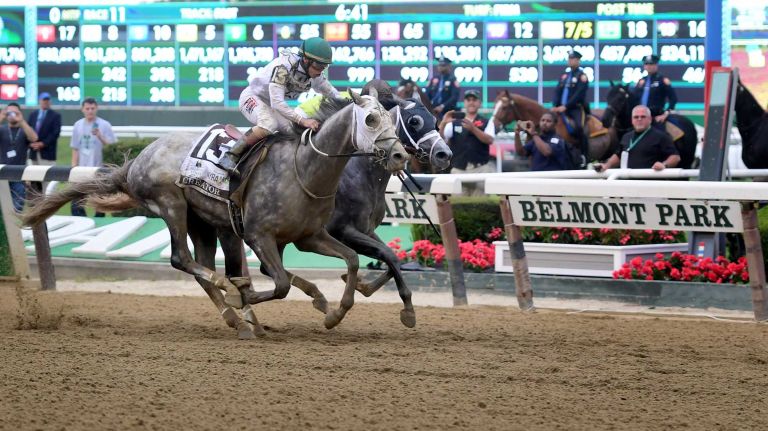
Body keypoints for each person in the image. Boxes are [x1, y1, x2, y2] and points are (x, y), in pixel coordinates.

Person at [219, 37, 340, 175]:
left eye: (325, 66)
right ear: (306, 60)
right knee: (268, 124)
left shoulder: (315, 75)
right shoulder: (283, 68)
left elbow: (333, 94)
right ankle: (231, 155)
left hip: (271, 104)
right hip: (253, 97)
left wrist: (352, 103)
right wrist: (304, 120)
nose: (321, 70)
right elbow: (277, 103)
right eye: (319, 66)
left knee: (295, 132)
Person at [438, 90, 496, 194]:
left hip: (480, 168)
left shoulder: (487, 122)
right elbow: (441, 140)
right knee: (457, 205)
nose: (471, 102)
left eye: (474, 100)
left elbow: (489, 140)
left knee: (481, 205)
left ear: (479, 103)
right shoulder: (454, 122)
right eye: (468, 100)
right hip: (458, 169)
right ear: (464, 102)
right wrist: (443, 123)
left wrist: (473, 129)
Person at [592, 105, 680, 172]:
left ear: (650, 119)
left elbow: (675, 157)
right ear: (632, 120)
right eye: (636, 117)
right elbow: (619, 155)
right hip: (629, 185)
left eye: (643, 117)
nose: (639, 119)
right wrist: (606, 165)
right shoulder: (626, 137)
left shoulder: (661, 136)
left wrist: (664, 165)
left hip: (652, 186)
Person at [70, 97, 116, 216]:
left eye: (92, 108)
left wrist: (100, 136)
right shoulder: (77, 125)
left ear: (96, 109)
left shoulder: (104, 125)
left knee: (100, 201)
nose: (90, 111)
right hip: (81, 169)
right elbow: (75, 148)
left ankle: (99, 222)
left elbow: (112, 147)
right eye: (87, 108)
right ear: (82, 109)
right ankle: (80, 223)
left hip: (99, 168)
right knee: (77, 200)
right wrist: (73, 167)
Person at [0, 103, 38, 212]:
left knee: (18, 207)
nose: (12, 115)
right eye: (9, 112)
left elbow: (34, 138)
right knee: (3, 209)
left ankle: (15, 227)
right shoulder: (2, 129)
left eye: (15, 112)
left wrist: (21, 121)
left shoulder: (24, 130)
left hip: (19, 175)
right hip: (3, 174)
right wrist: (1, 117)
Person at [552, 50, 589, 161]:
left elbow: (579, 94)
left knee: (579, 127)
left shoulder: (582, 76)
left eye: (573, 59)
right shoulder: (564, 76)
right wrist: (555, 105)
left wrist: (566, 106)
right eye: (569, 58)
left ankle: (584, 155)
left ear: (578, 61)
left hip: (575, 108)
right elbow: (557, 91)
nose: (570, 61)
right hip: (560, 109)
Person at [632, 54, 678, 129]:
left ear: (656, 65)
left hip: (656, 117)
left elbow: (673, 99)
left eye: (651, 64)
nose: (649, 66)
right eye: (646, 64)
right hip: (640, 117)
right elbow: (634, 99)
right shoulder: (641, 81)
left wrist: (666, 113)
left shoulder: (662, 80)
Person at [27, 92, 62, 166]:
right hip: (33, 152)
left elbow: (55, 133)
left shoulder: (55, 116)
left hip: (47, 153)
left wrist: (43, 143)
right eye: (44, 100)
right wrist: (31, 143)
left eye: (48, 100)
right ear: (40, 101)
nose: (46, 102)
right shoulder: (33, 114)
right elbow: (28, 129)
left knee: (48, 176)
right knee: (32, 176)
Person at [425, 56, 459, 121]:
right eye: (439, 65)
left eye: (443, 65)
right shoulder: (433, 79)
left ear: (449, 66)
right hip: (432, 111)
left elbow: (454, 97)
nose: (440, 67)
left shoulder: (452, 80)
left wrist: (442, 106)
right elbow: (427, 94)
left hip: (447, 111)